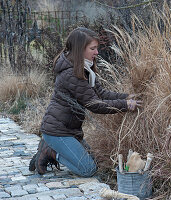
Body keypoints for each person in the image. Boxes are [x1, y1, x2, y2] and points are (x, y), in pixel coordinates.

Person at [28, 27, 142, 177]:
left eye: (97, 48)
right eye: (93, 48)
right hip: (57, 131)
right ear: (79, 49)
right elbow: (94, 104)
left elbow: (101, 94)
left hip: (71, 131)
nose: (97, 52)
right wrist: (125, 106)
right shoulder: (71, 73)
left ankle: (54, 149)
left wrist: (126, 97)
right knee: (88, 170)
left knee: (95, 163)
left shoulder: (85, 68)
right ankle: (50, 151)